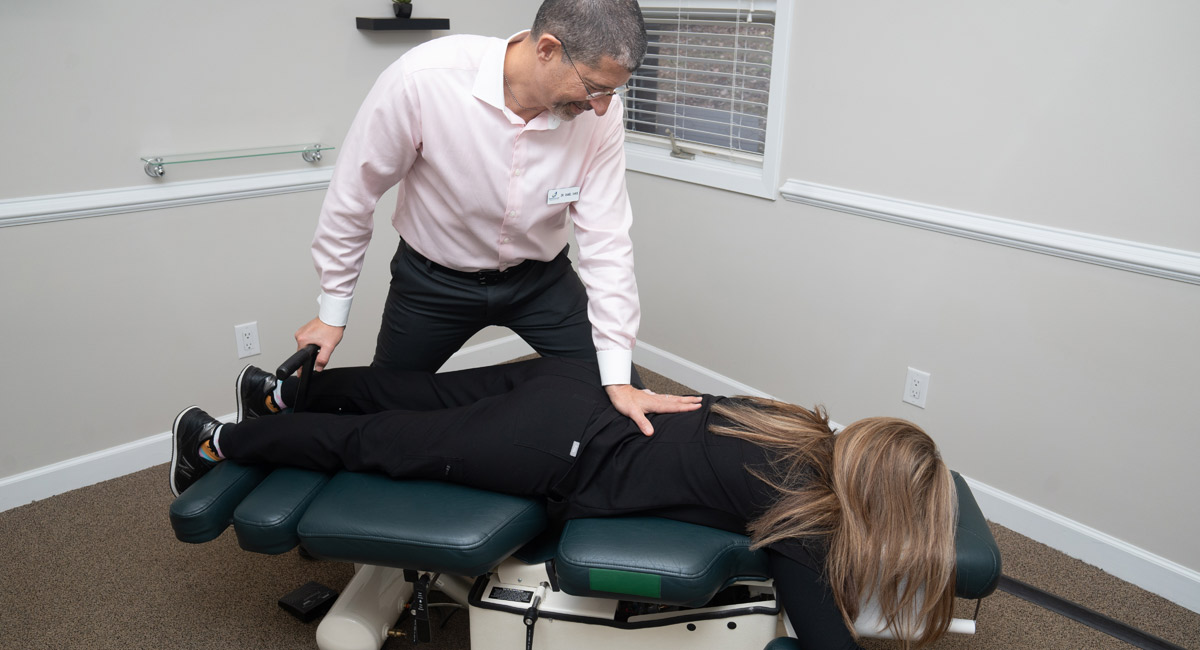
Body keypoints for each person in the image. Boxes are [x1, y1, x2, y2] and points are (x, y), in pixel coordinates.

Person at [171, 359, 959, 649]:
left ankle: (279, 393)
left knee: (415, 393)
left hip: (574, 388)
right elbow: (827, 638)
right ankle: (215, 443)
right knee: (377, 442)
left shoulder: (795, 423)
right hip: (550, 452)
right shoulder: (804, 516)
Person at [296, 0, 674, 433]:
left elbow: (607, 239)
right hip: (431, 283)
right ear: (547, 49)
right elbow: (354, 194)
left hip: (541, 283)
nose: (603, 106)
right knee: (383, 409)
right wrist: (332, 309)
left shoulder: (600, 117)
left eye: (613, 91)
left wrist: (616, 369)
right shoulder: (424, 81)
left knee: (625, 399)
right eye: (594, 88)